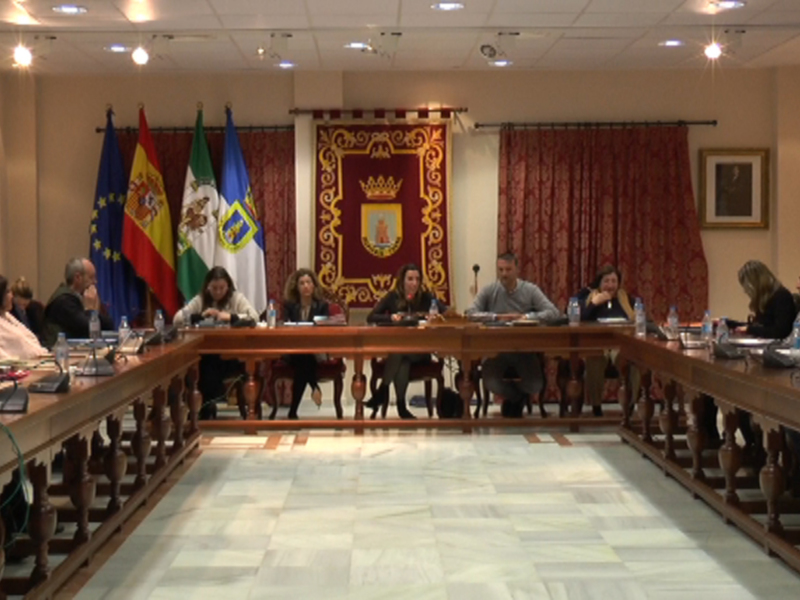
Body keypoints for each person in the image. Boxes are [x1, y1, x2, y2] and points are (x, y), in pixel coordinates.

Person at [466, 252, 560, 415]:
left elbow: (553, 312)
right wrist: (497, 317)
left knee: (535, 384)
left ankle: (517, 398)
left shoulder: (530, 290)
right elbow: (470, 313)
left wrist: (527, 317)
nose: (504, 274)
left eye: (508, 270)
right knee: (491, 383)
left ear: (517, 269)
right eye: (500, 270)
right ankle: (517, 397)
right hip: (496, 350)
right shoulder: (490, 290)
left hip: (524, 349)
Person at [173, 267, 259, 418]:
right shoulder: (201, 299)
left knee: (211, 367)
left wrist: (229, 317)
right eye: (214, 288)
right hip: (206, 352)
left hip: (231, 353)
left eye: (222, 288)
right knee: (196, 366)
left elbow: (254, 317)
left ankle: (206, 407)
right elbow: (177, 319)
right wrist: (200, 316)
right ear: (208, 287)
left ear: (228, 286)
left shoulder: (236, 298)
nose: (218, 292)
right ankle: (205, 407)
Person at [366, 263, 447, 419]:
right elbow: (371, 317)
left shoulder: (426, 297)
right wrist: (390, 317)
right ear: (402, 281)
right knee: (401, 359)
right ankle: (402, 408)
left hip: (421, 350)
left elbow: (446, 314)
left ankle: (382, 391)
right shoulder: (393, 297)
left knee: (397, 352)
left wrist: (435, 318)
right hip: (401, 349)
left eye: (417, 279)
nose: (414, 283)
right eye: (410, 279)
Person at [578, 266, 636, 417]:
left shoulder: (626, 299)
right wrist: (594, 304)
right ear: (599, 283)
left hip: (621, 343)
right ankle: (596, 406)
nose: (610, 285)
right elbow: (579, 319)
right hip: (598, 343)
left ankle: (630, 404)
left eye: (614, 281)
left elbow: (639, 319)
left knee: (632, 362)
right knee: (594, 359)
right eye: (606, 281)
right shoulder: (590, 297)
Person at [275, 268, 329, 420]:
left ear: (314, 286)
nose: (305, 286)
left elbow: (325, 327)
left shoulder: (322, 306)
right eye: (302, 283)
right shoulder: (290, 306)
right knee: (303, 358)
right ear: (296, 287)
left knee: (305, 360)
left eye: (308, 282)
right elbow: (285, 325)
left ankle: (293, 411)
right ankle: (314, 387)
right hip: (293, 350)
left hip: (316, 350)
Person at [43, 258, 113, 347]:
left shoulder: (82, 298)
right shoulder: (63, 301)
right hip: (59, 356)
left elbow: (109, 325)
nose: (95, 282)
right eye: (91, 277)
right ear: (78, 278)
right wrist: (90, 310)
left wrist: (95, 310)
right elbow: (88, 330)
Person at [732, 260, 796, 340]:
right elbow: (758, 327)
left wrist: (750, 330)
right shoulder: (765, 299)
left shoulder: (781, 297)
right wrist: (728, 323)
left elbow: (781, 331)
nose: (745, 291)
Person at [0, 275, 48, 360]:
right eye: (7, 292)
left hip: (37, 362)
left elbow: (30, 340)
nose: (11, 296)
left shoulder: (7, 316)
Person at [9, 277, 45, 342]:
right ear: (13, 298)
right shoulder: (9, 311)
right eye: (19, 305)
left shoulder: (36, 308)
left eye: (25, 305)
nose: (22, 308)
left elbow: (40, 331)